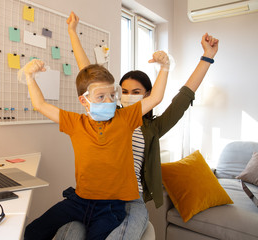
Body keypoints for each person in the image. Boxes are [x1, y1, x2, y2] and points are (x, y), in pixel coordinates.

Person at [55, 12, 219, 240]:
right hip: (93, 197)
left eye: (136, 92)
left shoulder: (154, 127)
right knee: (68, 235)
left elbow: (184, 97)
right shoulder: (107, 115)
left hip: (131, 200)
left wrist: (207, 57)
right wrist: (72, 32)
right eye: (124, 91)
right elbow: (88, 75)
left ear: (148, 95)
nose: (128, 96)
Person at [22, 42, 170, 239]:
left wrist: (165, 67)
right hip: (80, 201)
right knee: (33, 231)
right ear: (84, 100)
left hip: (111, 207)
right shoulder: (75, 122)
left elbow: (155, 98)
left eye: (112, 95)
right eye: (101, 97)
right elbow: (40, 104)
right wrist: (29, 77)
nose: (109, 101)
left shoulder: (125, 118)